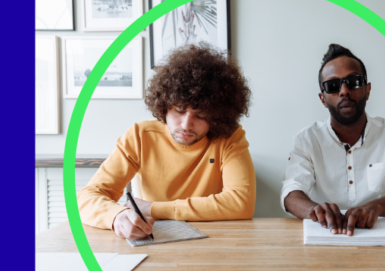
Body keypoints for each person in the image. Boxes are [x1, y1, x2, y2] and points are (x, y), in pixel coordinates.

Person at [78, 43, 256, 239]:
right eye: (179, 110)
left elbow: (241, 203)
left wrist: (153, 209)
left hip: (213, 240)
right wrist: (116, 216)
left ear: (217, 116)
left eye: (201, 115)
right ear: (164, 105)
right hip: (154, 236)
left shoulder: (230, 137)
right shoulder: (139, 136)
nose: (186, 124)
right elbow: (86, 198)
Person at [281, 43, 385, 236]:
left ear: (367, 89)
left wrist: (376, 207)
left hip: (382, 241)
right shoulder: (307, 140)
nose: (344, 91)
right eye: (333, 86)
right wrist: (314, 210)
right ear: (323, 99)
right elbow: (291, 192)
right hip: (326, 237)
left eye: (354, 81)